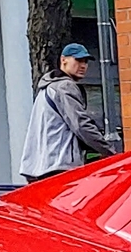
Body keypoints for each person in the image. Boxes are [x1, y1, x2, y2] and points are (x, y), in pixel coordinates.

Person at [19, 43, 108, 181]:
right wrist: (109, 151)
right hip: (59, 167)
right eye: (78, 60)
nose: (83, 66)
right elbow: (81, 125)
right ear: (63, 60)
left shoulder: (46, 88)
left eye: (85, 62)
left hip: (37, 169)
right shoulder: (65, 87)